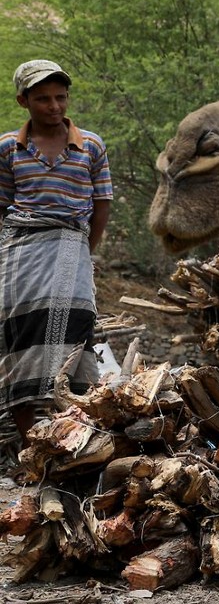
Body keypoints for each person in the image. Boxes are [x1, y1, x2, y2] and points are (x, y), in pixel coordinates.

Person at [0, 60, 112, 447]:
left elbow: (101, 204)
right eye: (43, 99)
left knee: (77, 329)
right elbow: (4, 205)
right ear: (23, 101)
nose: (54, 106)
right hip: (20, 253)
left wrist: (84, 249)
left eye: (60, 98)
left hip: (71, 248)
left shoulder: (91, 145)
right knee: (21, 336)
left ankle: (76, 435)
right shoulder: (7, 148)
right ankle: (32, 443)